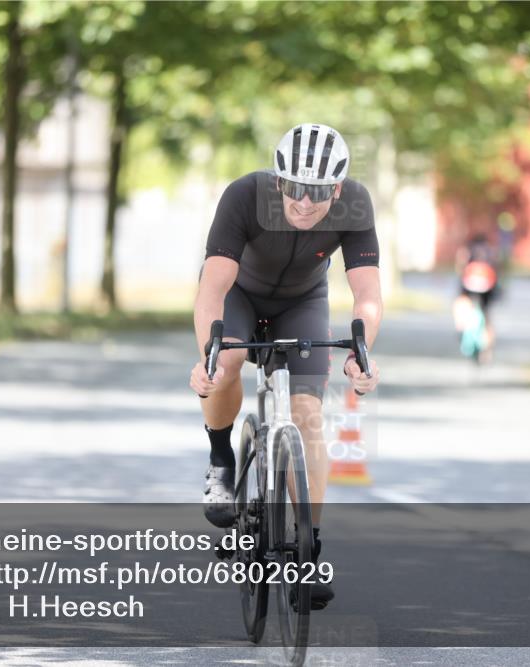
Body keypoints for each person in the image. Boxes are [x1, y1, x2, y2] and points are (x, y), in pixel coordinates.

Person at [189, 123, 382, 609]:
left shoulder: (355, 202)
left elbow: (367, 295)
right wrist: (208, 358)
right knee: (229, 360)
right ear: (279, 182)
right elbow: (213, 287)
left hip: (303, 301)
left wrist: (362, 355)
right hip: (239, 295)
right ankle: (220, 458)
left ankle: (307, 548)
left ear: (336, 189)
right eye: (294, 188)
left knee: (308, 414)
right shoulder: (245, 195)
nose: (303, 201)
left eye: (317, 192)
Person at [452, 233, 500, 360]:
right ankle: (487, 348)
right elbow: (497, 268)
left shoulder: (468, 250)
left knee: (462, 303)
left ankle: (461, 327)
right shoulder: (491, 251)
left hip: (469, 283)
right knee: (487, 314)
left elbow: (460, 265)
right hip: (488, 283)